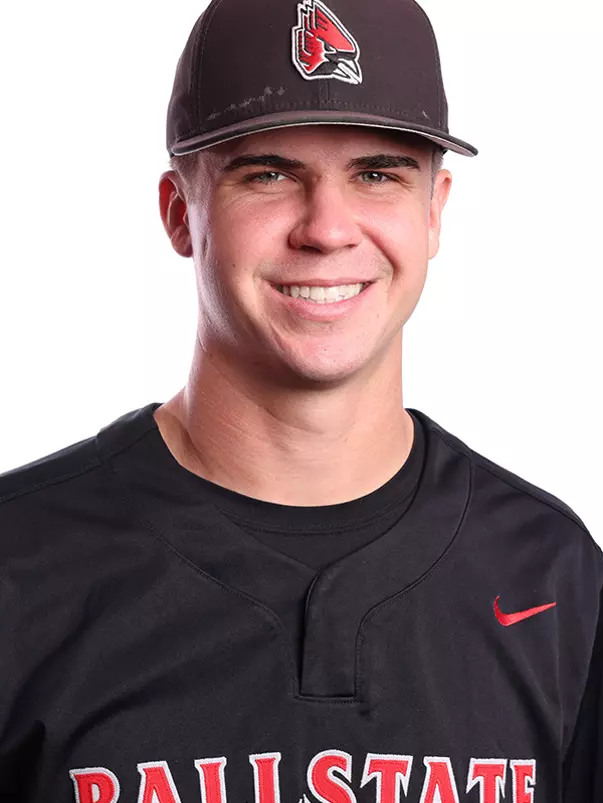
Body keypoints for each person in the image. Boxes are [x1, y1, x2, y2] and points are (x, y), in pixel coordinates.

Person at [0, 0, 601, 800]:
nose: (326, 229)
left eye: (377, 174)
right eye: (270, 173)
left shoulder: (549, 571)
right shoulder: (19, 564)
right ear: (182, 213)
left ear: (434, 212)